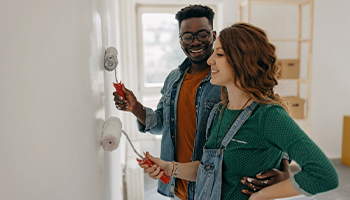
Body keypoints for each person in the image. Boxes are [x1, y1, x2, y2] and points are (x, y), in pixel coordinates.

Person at [138, 22, 339, 200]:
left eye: (220, 54)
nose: (210, 61)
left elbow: (324, 175)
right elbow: (210, 169)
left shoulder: (268, 115)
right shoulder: (220, 111)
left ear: (241, 61)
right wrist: (170, 167)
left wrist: (262, 196)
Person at [114, 5, 290, 200]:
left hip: (217, 186)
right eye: (187, 36)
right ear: (180, 40)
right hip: (177, 182)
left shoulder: (228, 79)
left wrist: (285, 171)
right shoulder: (173, 79)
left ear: (213, 35)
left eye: (202, 35)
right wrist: (135, 107)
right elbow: (162, 125)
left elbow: (268, 122)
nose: (195, 42)